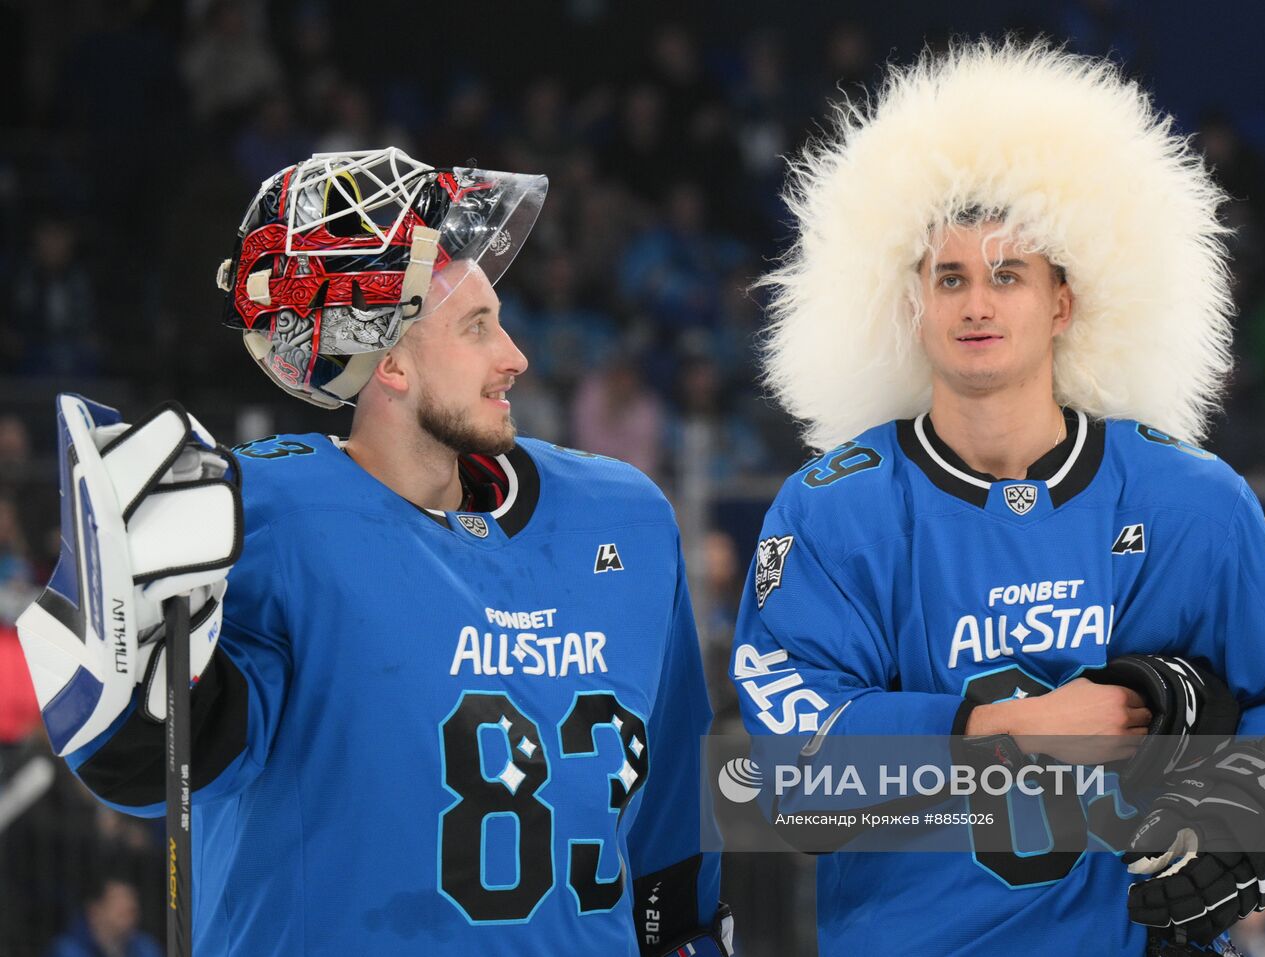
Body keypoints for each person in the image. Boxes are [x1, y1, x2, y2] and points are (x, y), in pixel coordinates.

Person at [17, 148, 731, 956]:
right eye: (476, 328)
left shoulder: (624, 517)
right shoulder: (263, 519)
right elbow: (152, 769)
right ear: (389, 361)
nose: (516, 358)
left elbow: (674, 817)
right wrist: (131, 660)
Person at [731, 42, 1265, 955]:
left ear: (1063, 302)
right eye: (951, 277)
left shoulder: (1193, 502)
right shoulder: (832, 511)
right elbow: (788, 775)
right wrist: (1012, 726)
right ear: (913, 303)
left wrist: (1254, 802)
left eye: (1008, 274)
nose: (978, 303)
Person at [46, 876, 162, 957]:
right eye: (120, 910)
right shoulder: (66, 950)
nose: (130, 916)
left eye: (132, 910)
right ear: (94, 911)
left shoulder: (146, 948)